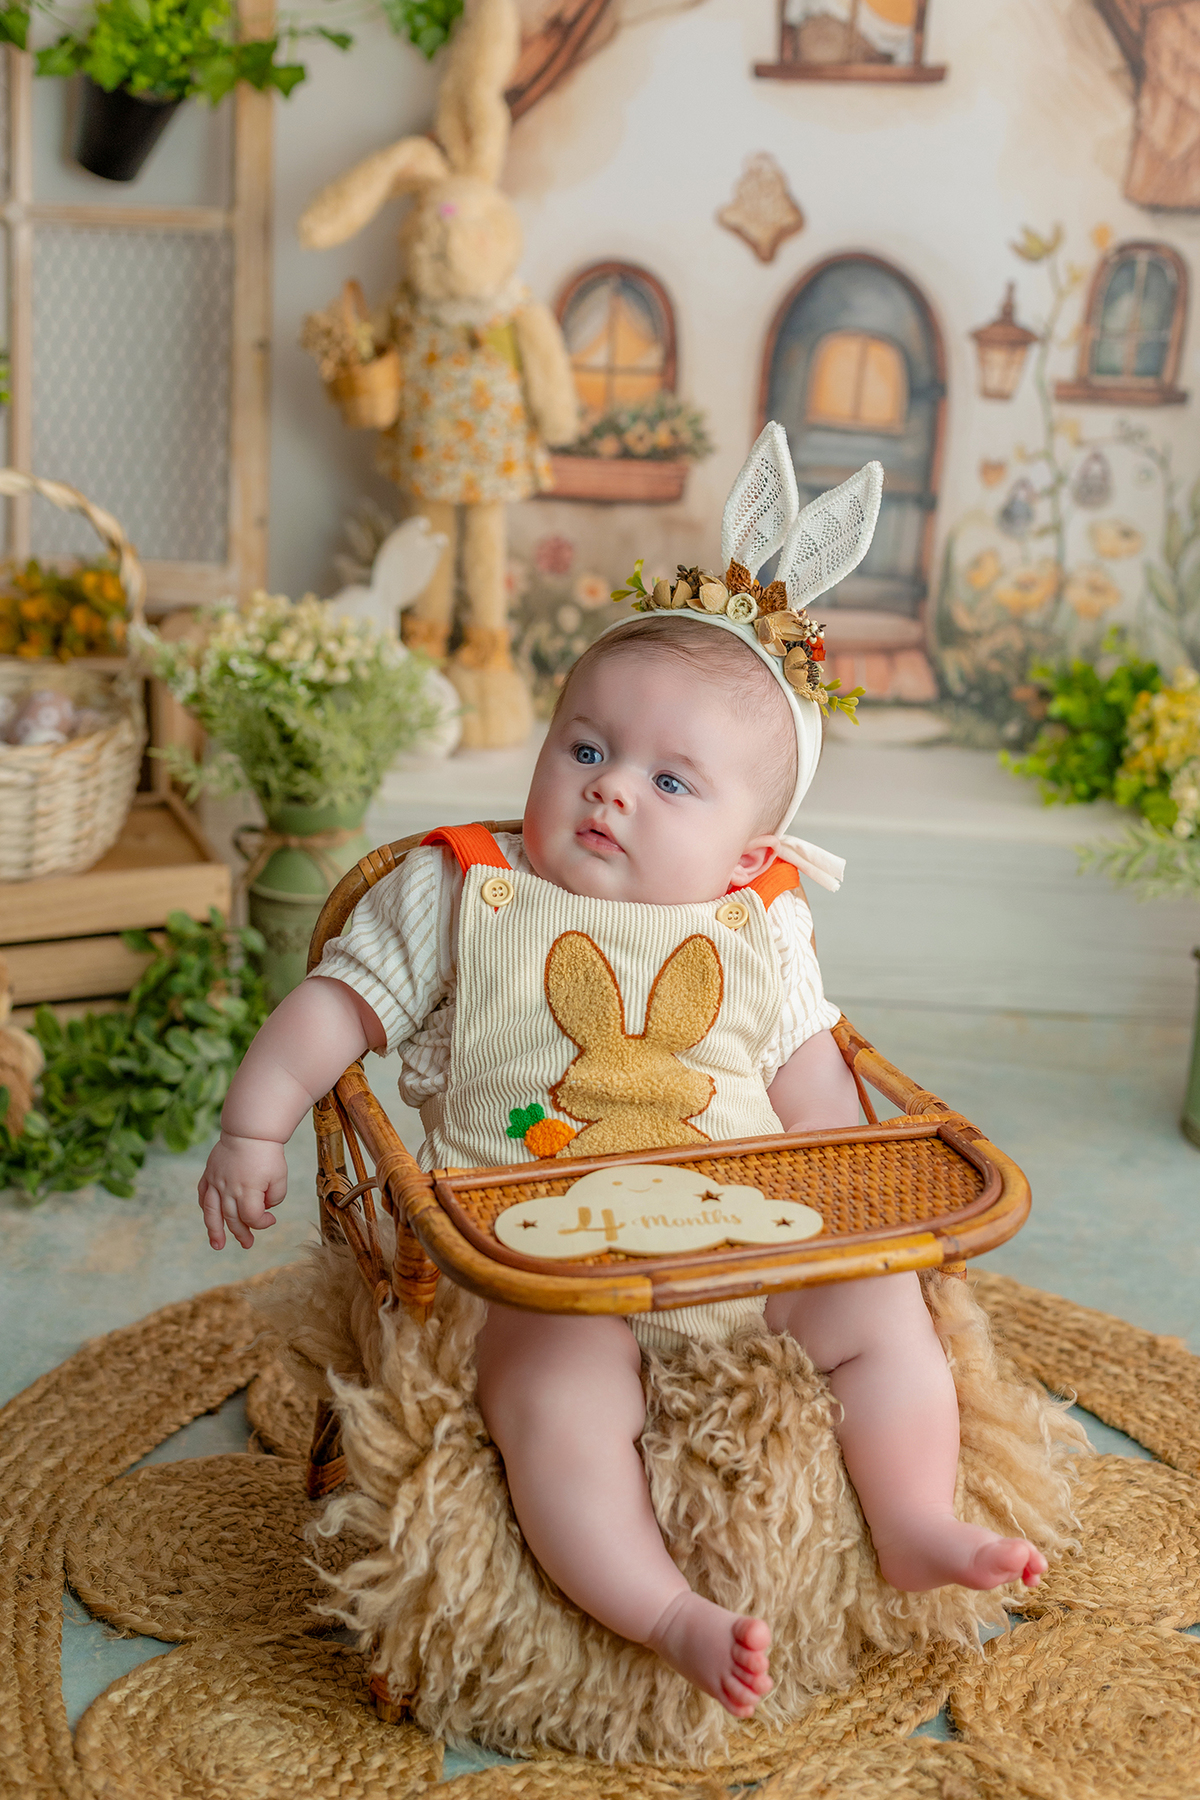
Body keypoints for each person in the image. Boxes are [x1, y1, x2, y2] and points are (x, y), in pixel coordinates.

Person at [197, 433, 1046, 1723]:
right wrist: (257, 1124)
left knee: (885, 1319)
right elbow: (334, 1008)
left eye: (670, 782)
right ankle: (663, 1608)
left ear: (750, 844)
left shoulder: (759, 926)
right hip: (543, 1254)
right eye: (585, 751)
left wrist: (857, 1229)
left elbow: (819, 1104)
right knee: (555, 1398)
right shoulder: (464, 894)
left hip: (745, 1237)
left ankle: (917, 1513)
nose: (611, 797)